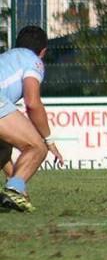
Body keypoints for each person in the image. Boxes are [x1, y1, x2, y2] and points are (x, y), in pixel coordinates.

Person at [0, 26, 65, 212]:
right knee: (37, 148)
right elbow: (33, 103)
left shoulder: (8, 57)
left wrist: (18, 186)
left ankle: (15, 190)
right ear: (43, 51)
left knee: (4, 149)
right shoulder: (33, 61)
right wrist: (48, 141)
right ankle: (14, 189)